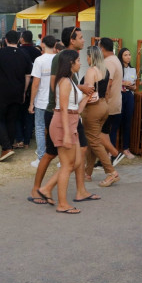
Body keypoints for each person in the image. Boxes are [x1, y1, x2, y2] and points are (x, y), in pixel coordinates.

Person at [31, 27, 97, 205]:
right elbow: (56, 84)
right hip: (58, 113)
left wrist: (81, 95)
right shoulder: (63, 58)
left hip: (68, 113)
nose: (84, 40)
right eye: (81, 38)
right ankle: (39, 189)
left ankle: (79, 190)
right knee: (53, 155)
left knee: (79, 151)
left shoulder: (70, 58)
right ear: (71, 39)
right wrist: (72, 96)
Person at [48, 50, 93, 214]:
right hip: (64, 124)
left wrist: (87, 98)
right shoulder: (65, 82)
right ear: (70, 63)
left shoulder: (70, 81)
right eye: (78, 60)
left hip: (71, 122)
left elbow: (76, 109)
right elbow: (64, 110)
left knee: (76, 163)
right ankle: (62, 203)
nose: (80, 63)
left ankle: (50, 192)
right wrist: (67, 133)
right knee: (67, 165)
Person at [0, 30, 32, 161]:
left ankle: (6, 147)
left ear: (5, 40)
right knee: (11, 120)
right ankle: (8, 146)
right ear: (19, 40)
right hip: (17, 91)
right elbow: (28, 76)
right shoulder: (24, 54)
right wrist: (24, 91)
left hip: (1, 91)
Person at [82, 46, 120, 187]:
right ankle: (88, 172)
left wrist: (80, 106)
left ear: (91, 57)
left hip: (93, 108)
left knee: (94, 141)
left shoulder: (91, 71)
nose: (86, 59)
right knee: (93, 139)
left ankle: (111, 172)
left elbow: (88, 92)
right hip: (104, 106)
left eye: (87, 56)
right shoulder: (106, 71)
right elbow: (108, 91)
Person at [28, 35, 57, 168]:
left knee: (40, 128)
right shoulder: (59, 59)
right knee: (56, 129)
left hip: (41, 100)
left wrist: (31, 102)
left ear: (43, 44)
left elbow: (35, 83)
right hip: (56, 101)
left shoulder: (39, 60)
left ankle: (41, 157)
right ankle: (62, 159)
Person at [99, 38, 125, 166]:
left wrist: (102, 100)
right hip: (115, 102)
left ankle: (113, 155)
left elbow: (107, 84)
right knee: (107, 132)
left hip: (109, 103)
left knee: (104, 133)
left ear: (102, 48)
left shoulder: (108, 62)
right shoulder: (115, 60)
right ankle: (106, 158)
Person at [16, 30, 41, 149]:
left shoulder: (18, 51)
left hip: (20, 85)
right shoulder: (37, 52)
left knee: (19, 113)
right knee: (30, 113)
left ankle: (20, 138)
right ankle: (27, 141)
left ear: (22, 39)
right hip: (34, 85)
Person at [113, 47, 137, 160]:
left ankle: (126, 148)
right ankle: (112, 150)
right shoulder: (118, 69)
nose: (128, 57)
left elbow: (135, 86)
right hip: (119, 96)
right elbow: (114, 82)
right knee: (116, 122)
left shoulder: (133, 69)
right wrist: (124, 83)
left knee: (127, 122)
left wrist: (130, 86)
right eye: (125, 55)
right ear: (121, 57)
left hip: (129, 96)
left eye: (129, 55)